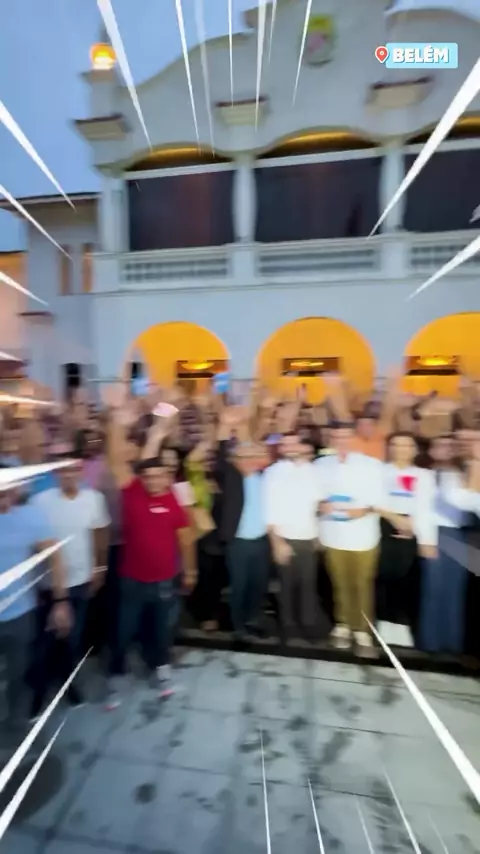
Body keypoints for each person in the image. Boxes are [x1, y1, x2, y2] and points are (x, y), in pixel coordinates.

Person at [105, 407, 197, 709]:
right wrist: (119, 423)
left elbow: (184, 536)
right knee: (122, 632)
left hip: (164, 581)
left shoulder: (173, 498)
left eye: (160, 476)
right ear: (142, 479)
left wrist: (190, 571)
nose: (155, 480)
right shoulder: (133, 493)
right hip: (132, 581)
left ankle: (161, 672)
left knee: (160, 631)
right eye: (149, 476)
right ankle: (115, 677)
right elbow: (116, 462)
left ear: (167, 478)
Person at [29, 455, 110, 715]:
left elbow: (100, 535)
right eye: (63, 471)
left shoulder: (94, 499)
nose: (69, 475)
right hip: (48, 584)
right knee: (43, 642)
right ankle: (39, 692)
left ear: (81, 473)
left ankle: (67, 683)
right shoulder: (40, 501)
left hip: (81, 580)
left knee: (72, 638)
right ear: (55, 475)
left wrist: (100, 568)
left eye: (74, 470)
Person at [0, 469, 71, 739]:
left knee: (18, 673)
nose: (4, 497)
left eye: (9, 490)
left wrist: (61, 601)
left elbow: (55, 557)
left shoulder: (31, 517)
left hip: (20, 613)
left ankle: (14, 724)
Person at [316, 422, 383, 657]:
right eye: (336, 437)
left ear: (353, 438)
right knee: (339, 582)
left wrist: (365, 509)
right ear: (330, 439)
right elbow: (312, 495)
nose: (341, 442)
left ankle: (363, 631)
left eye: (345, 437)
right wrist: (319, 504)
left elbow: (381, 499)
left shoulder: (372, 465)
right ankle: (343, 625)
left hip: (363, 535)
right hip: (332, 534)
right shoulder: (320, 465)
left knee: (362, 583)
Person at [264, 433, 328, 643]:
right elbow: (269, 510)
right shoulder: (273, 472)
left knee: (308, 584)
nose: (290, 447)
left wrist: (318, 533)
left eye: (294, 442)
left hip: (309, 535)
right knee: (287, 585)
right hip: (285, 537)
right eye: (285, 444)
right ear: (280, 448)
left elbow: (317, 504)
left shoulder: (313, 470)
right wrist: (277, 543)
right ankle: (288, 626)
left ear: (302, 445)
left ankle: (308, 624)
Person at [377, 432, 436, 647]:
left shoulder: (425, 475)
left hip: (413, 527)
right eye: (395, 445)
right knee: (383, 575)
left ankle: (401, 625)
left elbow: (426, 506)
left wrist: (422, 535)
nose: (400, 450)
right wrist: (394, 518)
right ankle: (382, 623)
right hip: (383, 525)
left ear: (415, 450)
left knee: (405, 578)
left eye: (406, 445)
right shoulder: (379, 471)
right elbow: (373, 499)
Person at [218, 440, 270, 641]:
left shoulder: (265, 478)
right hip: (238, 543)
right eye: (242, 458)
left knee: (258, 584)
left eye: (251, 457)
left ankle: (252, 621)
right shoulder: (231, 480)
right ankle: (237, 626)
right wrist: (224, 435)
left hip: (261, 541)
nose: (248, 461)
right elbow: (221, 459)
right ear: (235, 461)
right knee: (239, 585)